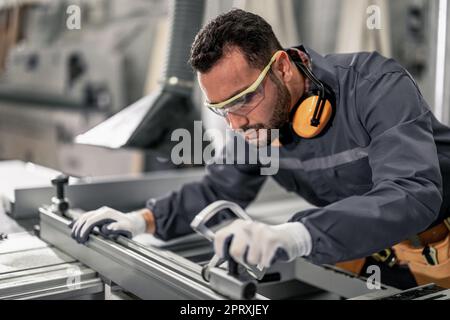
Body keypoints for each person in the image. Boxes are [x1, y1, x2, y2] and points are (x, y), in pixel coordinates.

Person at [71, 9, 450, 289]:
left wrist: (297, 234)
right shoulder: (258, 124)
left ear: (283, 67)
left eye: (244, 100)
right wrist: (141, 220)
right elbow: (215, 190)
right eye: (222, 109)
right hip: (367, 242)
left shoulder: (374, 86)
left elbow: (411, 193)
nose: (236, 124)